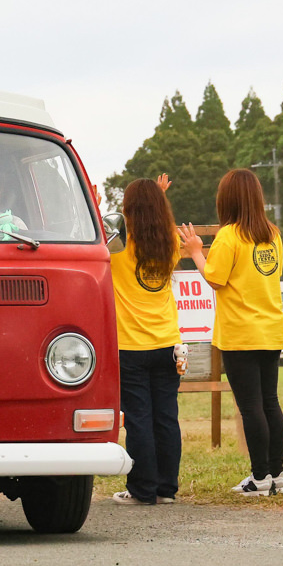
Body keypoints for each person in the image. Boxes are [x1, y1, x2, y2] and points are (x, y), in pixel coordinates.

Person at [178, 168, 283, 496]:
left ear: (227, 199)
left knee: (251, 406)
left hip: (240, 333)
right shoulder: (272, 234)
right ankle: (277, 475)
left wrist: (195, 250)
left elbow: (215, 278)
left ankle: (260, 478)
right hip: (270, 329)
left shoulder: (229, 235)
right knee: (270, 402)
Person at [109, 174, 183, 505]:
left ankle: (142, 490)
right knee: (166, 418)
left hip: (130, 345)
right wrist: (158, 197)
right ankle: (166, 489)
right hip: (169, 343)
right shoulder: (170, 241)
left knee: (139, 419)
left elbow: (105, 232)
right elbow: (156, 219)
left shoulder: (118, 245)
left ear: (128, 209)